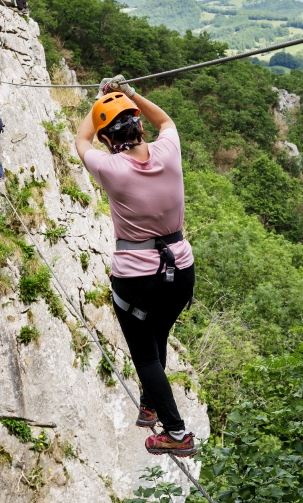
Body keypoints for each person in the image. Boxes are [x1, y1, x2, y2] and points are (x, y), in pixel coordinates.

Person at [75, 76, 197, 458]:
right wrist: (126, 94)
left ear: (108, 140)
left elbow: (81, 141)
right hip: (181, 271)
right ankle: (150, 404)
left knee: (145, 355)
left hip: (137, 280)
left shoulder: (112, 169)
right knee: (157, 334)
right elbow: (167, 121)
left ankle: (176, 432)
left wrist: (101, 103)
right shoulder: (168, 151)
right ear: (139, 126)